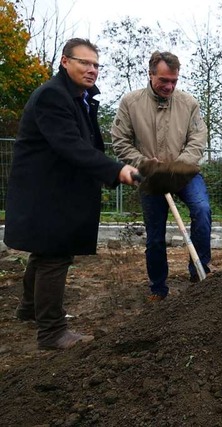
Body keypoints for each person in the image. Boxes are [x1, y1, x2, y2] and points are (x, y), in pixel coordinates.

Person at [4, 38, 139, 350]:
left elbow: (85, 143)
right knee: (55, 254)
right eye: (84, 62)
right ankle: (51, 332)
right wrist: (115, 170)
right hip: (46, 190)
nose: (91, 70)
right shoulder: (53, 95)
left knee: (44, 252)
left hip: (54, 189)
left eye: (95, 65)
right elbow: (70, 144)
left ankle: (28, 309)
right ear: (65, 62)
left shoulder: (79, 96)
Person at [111, 51, 212, 300]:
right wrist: (143, 163)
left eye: (174, 81)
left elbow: (198, 140)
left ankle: (199, 272)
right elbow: (120, 140)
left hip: (184, 173)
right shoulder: (131, 103)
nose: (169, 86)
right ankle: (158, 287)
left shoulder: (189, 104)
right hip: (151, 176)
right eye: (164, 80)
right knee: (155, 235)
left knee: (202, 210)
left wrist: (177, 166)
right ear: (151, 74)